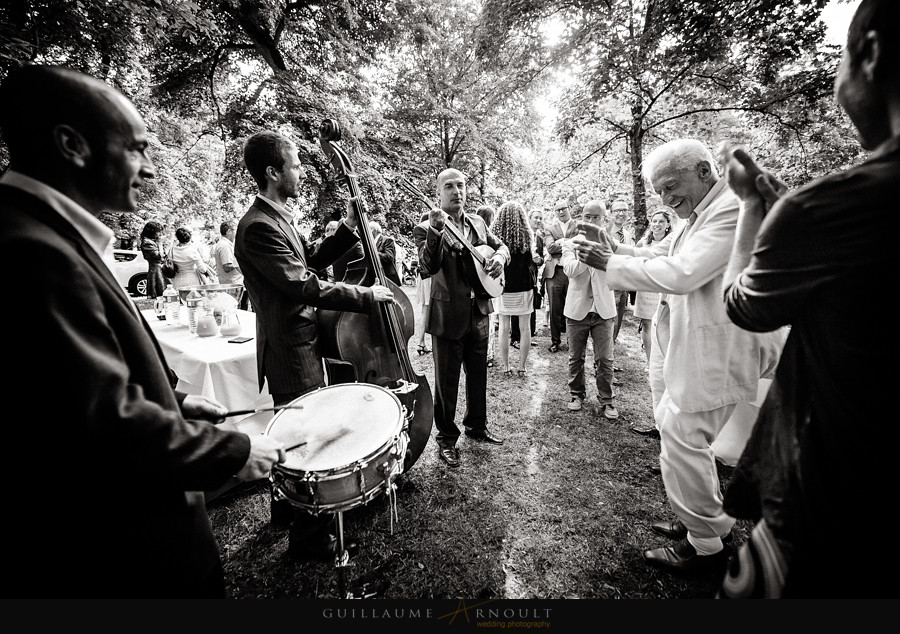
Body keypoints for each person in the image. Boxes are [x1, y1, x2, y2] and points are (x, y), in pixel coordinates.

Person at [0, 64, 285, 598]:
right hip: (126, 559)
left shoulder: (49, 234)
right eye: (138, 148)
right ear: (71, 144)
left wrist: (174, 400)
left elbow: (74, 379)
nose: (152, 170)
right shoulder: (31, 250)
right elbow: (103, 425)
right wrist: (234, 452)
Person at [718, 0, 898, 598]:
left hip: (833, 498)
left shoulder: (828, 208)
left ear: (869, 52)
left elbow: (744, 304)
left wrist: (752, 207)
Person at [574, 138, 786, 574]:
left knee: (683, 436)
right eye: (659, 192)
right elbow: (664, 252)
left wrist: (608, 262)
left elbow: (684, 272)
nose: (667, 199)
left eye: (672, 186)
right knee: (677, 431)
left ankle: (707, 544)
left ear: (705, 170)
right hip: (704, 345)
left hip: (721, 347)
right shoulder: (698, 214)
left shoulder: (729, 209)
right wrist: (615, 250)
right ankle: (702, 526)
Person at [235, 129, 395, 560]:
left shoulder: (276, 216)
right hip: (289, 350)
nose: (302, 171)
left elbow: (310, 257)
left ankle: (285, 514)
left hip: (300, 343)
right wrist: (365, 295)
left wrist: (347, 228)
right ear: (273, 172)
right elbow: (303, 284)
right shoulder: (256, 228)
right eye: (296, 165)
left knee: (296, 435)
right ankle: (310, 541)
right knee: (307, 441)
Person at [413, 168, 509, 468]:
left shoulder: (478, 222)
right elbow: (426, 267)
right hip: (447, 315)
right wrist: (436, 231)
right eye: (450, 187)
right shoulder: (425, 227)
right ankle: (446, 439)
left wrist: (498, 259)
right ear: (439, 193)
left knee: (478, 374)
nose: (457, 191)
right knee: (447, 383)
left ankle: (476, 426)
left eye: (461, 186)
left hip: (479, 311)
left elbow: (501, 246)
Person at [561, 200, 618, 419]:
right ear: (581, 218)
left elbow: (617, 272)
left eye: (596, 217)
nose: (591, 221)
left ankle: (607, 400)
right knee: (576, 357)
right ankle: (576, 394)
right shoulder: (570, 243)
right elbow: (570, 270)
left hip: (603, 308)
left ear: (605, 219)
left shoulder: (612, 244)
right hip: (577, 309)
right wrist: (588, 255)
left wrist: (603, 251)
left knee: (605, 358)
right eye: (587, 217)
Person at [491, 200, 540, 377]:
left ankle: (505, 365)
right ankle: (522, 366)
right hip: (524, 287)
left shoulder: (496, 238)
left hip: (503, 287)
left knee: (504, 328)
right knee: (525, 328)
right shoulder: (527, 236)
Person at [542, 198, 579, 352]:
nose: (561, 212)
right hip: (555, 272)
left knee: (573, 307)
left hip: (573, 272)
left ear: (568, 208)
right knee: (555, 308)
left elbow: (580, 244)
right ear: (554, 212)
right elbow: (550, 248)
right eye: (558, 210)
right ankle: (555, 341)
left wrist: (561, 241)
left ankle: (573, 341)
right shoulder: (550, 228)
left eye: (563, 208)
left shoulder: (578, 226)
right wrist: (569, 242)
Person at [512, 208, 545, 346]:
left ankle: (528, 337)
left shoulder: (539, 238)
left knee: (530, 307)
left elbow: (541, 258)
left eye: (540, 218)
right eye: (535, 217)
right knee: (517, 307)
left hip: (532, 277)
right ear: (528, 219)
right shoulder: (520, 235)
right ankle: (515, 338)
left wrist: (539, 260)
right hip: (519, 277)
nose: (538, 220)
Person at [606, 199, 634, 344]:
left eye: (624, 210)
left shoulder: (627, 235)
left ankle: (608, 360)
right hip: (609, 286)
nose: (621, 213)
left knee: (617, 324)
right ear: (611, 213)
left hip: (624, 286)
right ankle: (603, 361)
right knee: (608, 324)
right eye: (617, 210)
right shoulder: (604, 233)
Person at [474, 204, 498, 365]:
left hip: (488, 282)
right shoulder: (479, 236)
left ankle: (488, 353)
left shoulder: (490, 237)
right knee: (489, 320)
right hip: (485, 283)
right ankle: (488, 353)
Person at [213, 221, 249, 309]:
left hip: (234, 283)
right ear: (229, 231)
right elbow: (226, 267)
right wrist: (242, 263)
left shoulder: (225, 244)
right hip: (233, 285)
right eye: (235, 231)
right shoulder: (225, 246)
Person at [413, 211, 432, 356]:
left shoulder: (420, 240)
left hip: (423, 276)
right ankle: (422, 342)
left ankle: (421, 342)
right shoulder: (427, 237)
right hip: (431, 277)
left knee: (424, 310)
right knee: (430, 310)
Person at [170, 226, 212, 290]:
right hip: (192, 279)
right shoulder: (192, 251)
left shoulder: (172, 250)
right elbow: (202, 269)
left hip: (177, 279)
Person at [370, 220, 402, 286]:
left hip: (387, 276)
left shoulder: (387, 240)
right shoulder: (371, 242)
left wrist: (373, 253)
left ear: (373, 230)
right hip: (377, 275)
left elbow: (389, 257)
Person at [139, 220, 166, 298]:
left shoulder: (152, 242)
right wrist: (160, 243)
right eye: (158, 232)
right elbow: (159, 256)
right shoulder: (147, 243)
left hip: (158, 269)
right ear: (152, 231)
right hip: (156, 271)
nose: (160, 234)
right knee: (160, 293)